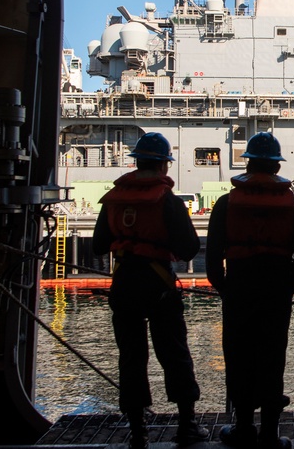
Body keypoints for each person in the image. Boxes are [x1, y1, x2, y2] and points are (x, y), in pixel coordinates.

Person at [91, 132, 208, 449]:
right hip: (158, 285)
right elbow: (188, 248)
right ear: (163, 167)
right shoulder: (167, 201)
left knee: (131, 357)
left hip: (125, 282)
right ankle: (186, 425)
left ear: (137, 161)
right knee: (174, 353)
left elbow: (99, 244)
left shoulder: (114, 197)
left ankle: (138, 429)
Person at [206, 132, 294, 449]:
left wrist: (228, 289)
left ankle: (242, 427)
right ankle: (269, 431)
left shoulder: (225, 204)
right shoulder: (293, 208)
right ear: (276, 167)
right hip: (276, 291)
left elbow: (211, 262)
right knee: (271, 357)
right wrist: (284, 288)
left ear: (247, 163)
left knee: (238, 357)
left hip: (239, 289)